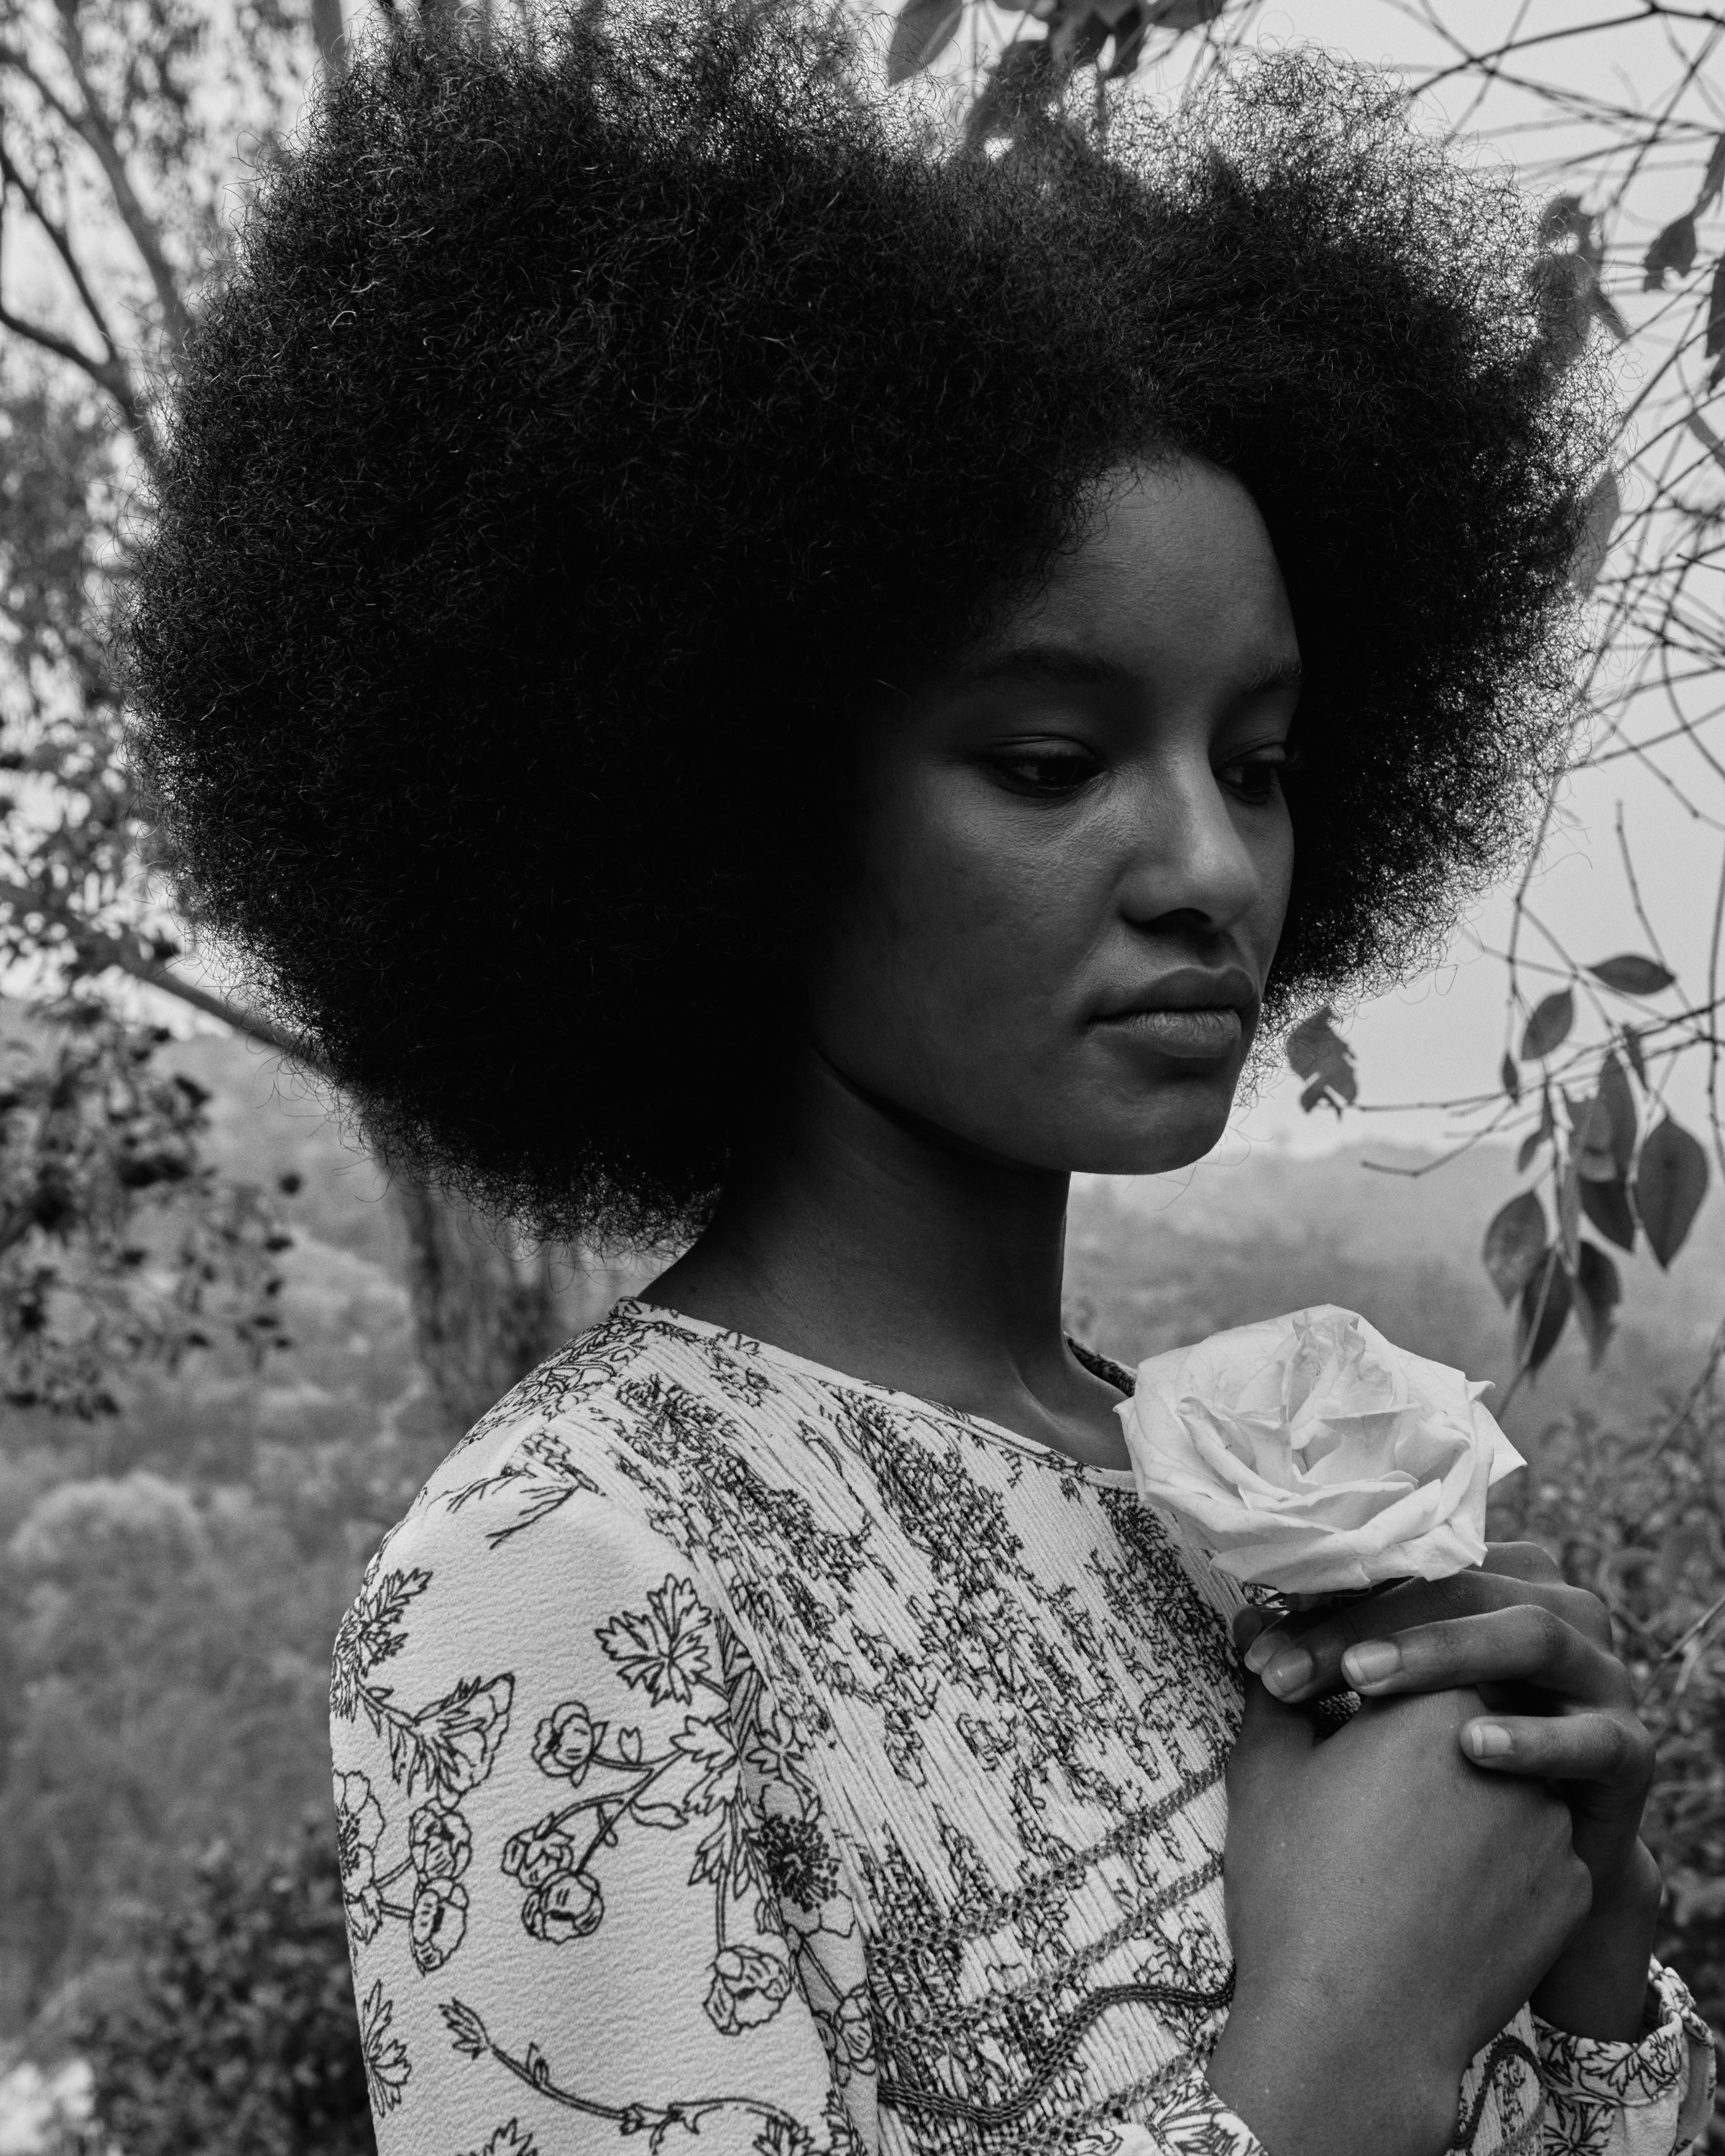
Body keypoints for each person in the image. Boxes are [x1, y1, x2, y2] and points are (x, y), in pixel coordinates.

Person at [124, 6, 1716, 2153]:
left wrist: (1592, 1948)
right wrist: (1340, 2052)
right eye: (1052, 762)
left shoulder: (1210, 1494)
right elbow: (1345, 2066)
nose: (1211, 867)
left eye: (1258, 762)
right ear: (736, 807)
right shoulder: (561, 1589)